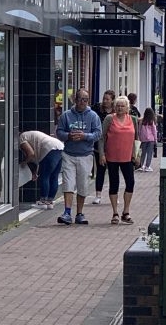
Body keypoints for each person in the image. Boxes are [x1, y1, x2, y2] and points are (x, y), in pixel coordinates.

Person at [55, 89, 102, 225]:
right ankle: (67, 212)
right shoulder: (66, 115)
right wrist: (69, 136)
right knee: (68, 183)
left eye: (85, 100)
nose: (82, 102)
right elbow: (59, 132)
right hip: (69, 154)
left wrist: (85, 136)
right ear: (75, 100)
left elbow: (98, 133)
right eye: (80, 99)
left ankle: (80, 213)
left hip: (85, 155)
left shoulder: (93, 116)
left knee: (82, 185)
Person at [99, 95, 139, 225]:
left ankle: (126, 212)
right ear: (115, 107)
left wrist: (137, 155)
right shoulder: (109, 119)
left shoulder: (133, 119)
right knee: (114, 183)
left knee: (130, 183)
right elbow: (102, 137)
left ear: (128, 107)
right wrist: (101, 154)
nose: (120, 108)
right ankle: (115, 212)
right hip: (112, 156)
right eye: (118, 106)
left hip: (127, 156)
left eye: (123, 106)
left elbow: (137, 139)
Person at [19, 130, 64, 210]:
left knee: (45, 176)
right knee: (54, 176)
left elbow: (31, 154)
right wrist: (35, 172)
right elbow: (36, 158)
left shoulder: (21, 138)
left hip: (49, 149)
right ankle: (49, 202)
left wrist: (24, 162)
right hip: (60, 147)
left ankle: (43, 202)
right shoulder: (29, 135)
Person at [91, 89, 115, 205]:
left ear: (112, 101)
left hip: (113, 146)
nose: (104, 101)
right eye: (104, 99)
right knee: (100, 170)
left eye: (107, 99)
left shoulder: (116, 112)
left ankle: (113, 194)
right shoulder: (96, 109)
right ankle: (98, 195)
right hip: (99, 145)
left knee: (113, 171)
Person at [138, 107, 158, 172]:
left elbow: (139, 130)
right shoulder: (152, 121)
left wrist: (140, 137)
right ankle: (147, 166)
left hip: (143, 139)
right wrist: (155, 139)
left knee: (143, 152)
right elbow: (154, 131)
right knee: (149, 153)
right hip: (151, 139)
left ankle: (141, 165)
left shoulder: (142, 121)